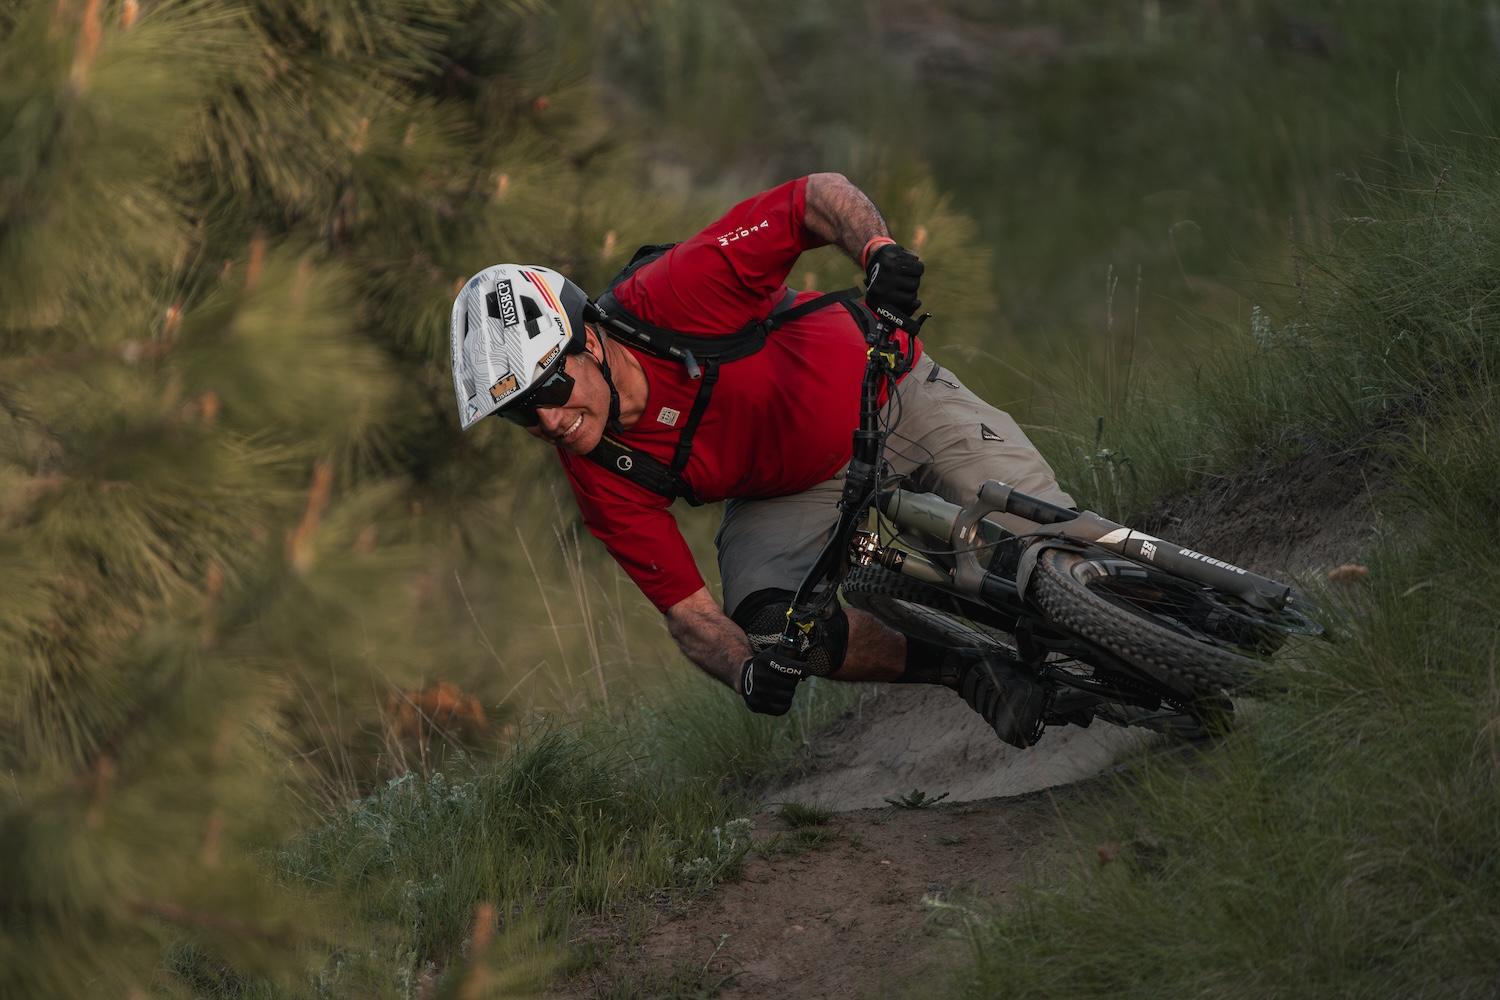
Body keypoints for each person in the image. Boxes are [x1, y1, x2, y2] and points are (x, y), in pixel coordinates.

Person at [449, 174, 1075, 747]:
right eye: (520, 413)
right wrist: (745, 671)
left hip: (894, 394)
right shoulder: (599, 467)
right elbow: (690, 615)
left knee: (1043, 546)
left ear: (587, 340)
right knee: (776, 626)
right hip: (788, 489)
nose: (548, 421)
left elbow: (812, 198)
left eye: (551, 389)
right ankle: (967, 670)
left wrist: (877, 251)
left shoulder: (677, 290)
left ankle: (1119, 601)